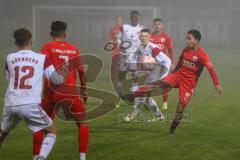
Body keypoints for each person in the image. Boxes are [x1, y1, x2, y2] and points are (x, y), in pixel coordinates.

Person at [135, 29, 222, 133]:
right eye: (186, 38)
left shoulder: (202, 54)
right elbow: (180, 61)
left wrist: (216, 84)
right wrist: (174, 70)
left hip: (189, 84)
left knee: (180, 109)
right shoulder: (186, 50)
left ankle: (173, 128)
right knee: (161, 82)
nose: (187, 40)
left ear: (197, 40)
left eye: (189, 39)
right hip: (178, 76)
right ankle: (138, 91)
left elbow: (211, 69)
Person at [0, 28, 64, 160]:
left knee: (3, 133)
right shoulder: (42, 58)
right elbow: (56, 80)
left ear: (16, 43)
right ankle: (40, 158)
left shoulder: (9, 58)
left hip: (11, 103)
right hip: (30, 105)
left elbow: (9, 79)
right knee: (51, 131)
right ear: (31, 41)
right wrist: (63, 74)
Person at [32, 21, 89, 160]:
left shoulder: (47, 47)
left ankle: (36, 157)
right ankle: (82, 158)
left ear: (51, 33)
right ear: (65, 34)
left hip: (51, 93)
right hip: (70, 92)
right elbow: (82, 71)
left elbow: (41, 67)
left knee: (40, 125)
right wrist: (83, 90)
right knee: (83, 124)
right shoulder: (73, 48)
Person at [124, 28, 171, 122]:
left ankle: (132, 114)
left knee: (143, 95)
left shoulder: (153, 48)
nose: (144, 38)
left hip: (158, 72)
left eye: (146, 36)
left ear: (149, 37)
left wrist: (163, 77)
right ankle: (159, 116)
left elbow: (167, 61)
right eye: (142, 36)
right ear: (139, 37)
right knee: (146, 97)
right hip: (152, 73)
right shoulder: (140, 47)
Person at [117, 10, 144, 96]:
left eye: (136, 17)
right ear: (130, 17)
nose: (135, 19)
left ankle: (135, 94)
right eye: (133, 17)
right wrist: (121, 47)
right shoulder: (124, 27)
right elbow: (118, 38)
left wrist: (142, 53)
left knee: (134, 75)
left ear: (139, 18)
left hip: (135, 56)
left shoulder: (142, 29)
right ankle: (119, 93)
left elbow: (144, 41)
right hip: (124, 54)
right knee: (121, 74)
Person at [150, 18, 174, 110]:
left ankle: (164, 103)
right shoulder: (149, 36)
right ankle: (149, 101)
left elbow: (170, 51)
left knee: (164, 83)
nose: (157, 26)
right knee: (151, 83)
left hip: (163, 64)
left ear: (162, 25)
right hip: (152, 63)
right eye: (155, 24)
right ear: (153, 25)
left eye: (159, 24)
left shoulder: (166, 37)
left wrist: (171, 63)